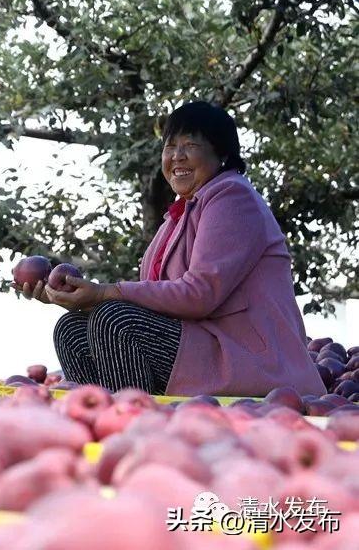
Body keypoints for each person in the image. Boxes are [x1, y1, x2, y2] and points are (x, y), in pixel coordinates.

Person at [17, 101, 325, 398]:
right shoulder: (178, 216)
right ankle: (108, 428)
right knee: (72, 328)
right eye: (169, 147)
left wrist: (103, 294)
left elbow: (199, 295)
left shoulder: (232, 196)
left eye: (190, 145)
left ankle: (137, 429)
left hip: (249, 360)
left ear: (222, 153)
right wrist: (77, 299)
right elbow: (153, 297)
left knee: (114, 318)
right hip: (202, 349)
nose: (176, 156)